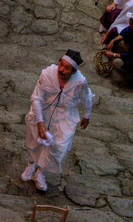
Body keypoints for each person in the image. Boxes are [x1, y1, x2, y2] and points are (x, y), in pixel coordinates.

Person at [21, 50, 93, 192]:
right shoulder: (47, 74)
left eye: (67, 68)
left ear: (73, 71)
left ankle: (40, 172)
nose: (61, 69)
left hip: (65, 114)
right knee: (34, 141)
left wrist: (87, 115)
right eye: (61, 64)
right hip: (43, 110)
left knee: (59, 147)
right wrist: (40, 122)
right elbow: (36, 98)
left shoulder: (80, 82)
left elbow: (86, 98)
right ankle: (31, 164)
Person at [105, 11, 133, 77]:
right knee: (121, 42)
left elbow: (131, 56)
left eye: (130, 20)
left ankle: (131, 76)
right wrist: (113, 40)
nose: (129, 20)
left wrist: (114, 54)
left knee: (116, 62)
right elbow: (126, 31)